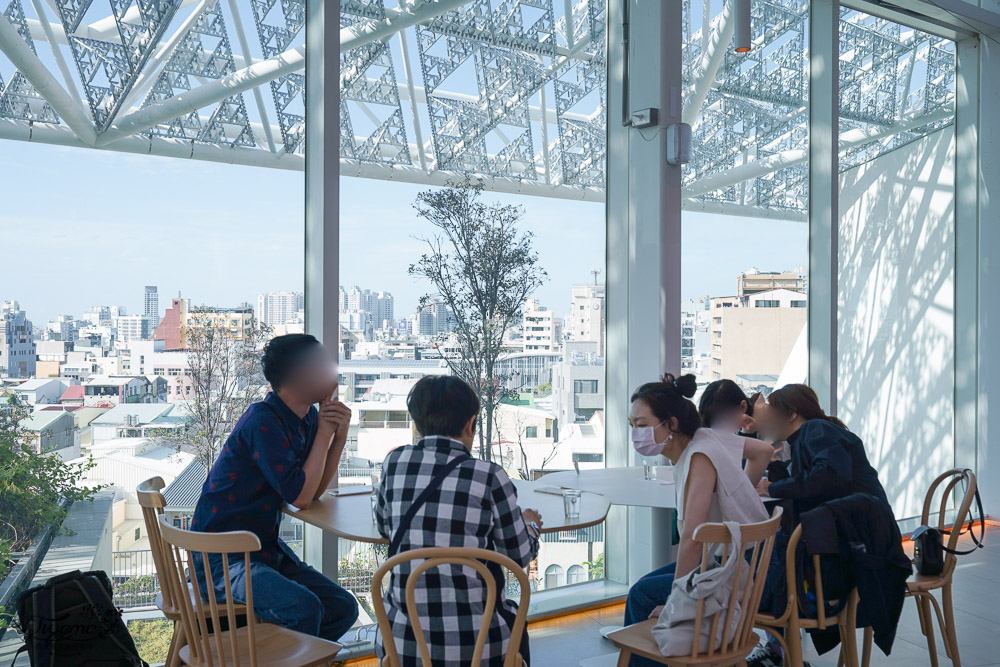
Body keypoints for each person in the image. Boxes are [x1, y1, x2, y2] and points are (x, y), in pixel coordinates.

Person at [190, 333, 359, 643]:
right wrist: (324, 433)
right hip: (223, 557)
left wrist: (338, 435)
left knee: (343, 607)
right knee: (304, 609)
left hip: (262, 550)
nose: (332, 369)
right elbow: (301, 498)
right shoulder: (263, 422)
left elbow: (312, 489)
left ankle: (291, 658)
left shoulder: (306, 417)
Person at [374, 376, 542, 667]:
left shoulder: (394, 462)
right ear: (470, 423)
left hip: (402, 646)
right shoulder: (489, 475)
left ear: (417, 424)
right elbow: (518, 555)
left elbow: (384, 527)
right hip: (480, 650)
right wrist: (531, 526)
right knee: (513, 617)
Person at [623, 373, 770, 667]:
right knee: (644, 585)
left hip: (734, 572)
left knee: (641, 594)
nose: (636, 434)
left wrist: (675, 605)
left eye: (642, 425)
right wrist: (738, 492)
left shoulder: (699, 455)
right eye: (632, 426)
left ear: (671, 424)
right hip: (739, 561)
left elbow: (692, 537)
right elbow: (764, 451)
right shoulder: (705, 439)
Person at [747, 383, 891, 667]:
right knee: (767, 554)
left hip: (853, 554)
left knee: (756, 560)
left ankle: (775, 641)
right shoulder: (815, 435)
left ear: (790, 415)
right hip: (863, 546)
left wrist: (775, 485)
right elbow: (815, 485)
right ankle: (781, 648)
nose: (766, 423)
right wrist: (777, 474)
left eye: (771, 415)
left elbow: (826, 479)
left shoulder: (815, 430)